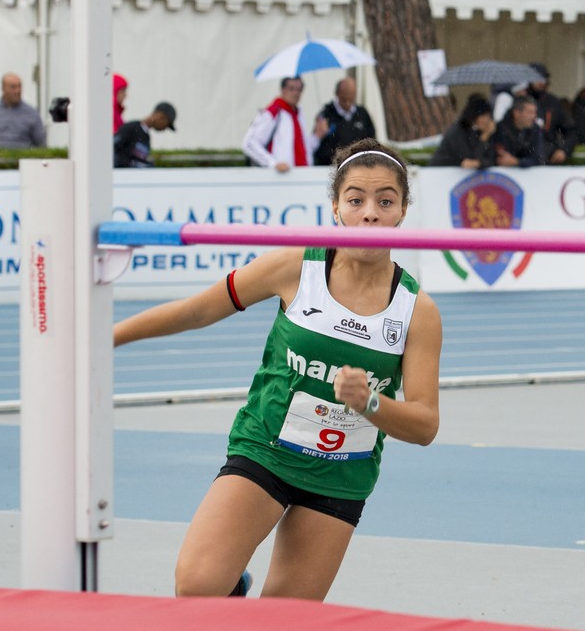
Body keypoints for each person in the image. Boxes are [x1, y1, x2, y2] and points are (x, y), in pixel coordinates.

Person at [112, 141, 442, 601]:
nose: (370, 213)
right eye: (356, 200)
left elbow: (425, 425)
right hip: (265, 451)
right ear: (336, 207)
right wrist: (105, 338)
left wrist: (370, 402)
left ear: (403, 210)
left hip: (340, 476)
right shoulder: (296, 266)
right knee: (197, 586)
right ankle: (232, 587)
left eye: (385, 202)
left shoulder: (416, 311)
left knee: (281, 623)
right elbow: (196, 311)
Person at [243, 77, 312, 172]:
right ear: (283, 90)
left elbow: (303, 148)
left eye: (299, 90)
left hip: (301, 174)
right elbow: (249, 143)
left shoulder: (298, 114)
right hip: (280, 176)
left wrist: (317, 137)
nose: (295, 93)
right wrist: (273, 163)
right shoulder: (273, 112)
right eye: (291, 89)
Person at [0, 73, 47, 149]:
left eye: (19, 87)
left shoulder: (32, 113)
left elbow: (42, 145)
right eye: (13, 87)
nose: (17, 91)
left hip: (20, 156)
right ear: (3, 88)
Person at [313, 78, 375, 166]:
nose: (348, 103)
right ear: (337, 93)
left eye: (351, 99)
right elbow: (317, 145)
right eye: (344, 99)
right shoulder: (326, 115)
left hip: (358, 165)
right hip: (331, 166)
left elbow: (371, 140)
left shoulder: (362, 114)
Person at [429, 96, 496, 168]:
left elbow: (490, 159)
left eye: (488, 116)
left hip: (459, 171)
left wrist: (480, 163)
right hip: (442, 170)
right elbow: (470, 158)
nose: (487, 120)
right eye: (483, 116)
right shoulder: (458, 131)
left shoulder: (479, 131)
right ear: (474, 115)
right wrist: (484, 137)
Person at [527, 63, 575, 162]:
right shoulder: (519, 101)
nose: (541, 82)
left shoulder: (552, 102)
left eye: (543, 78)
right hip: (524, 156)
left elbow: (571, 130)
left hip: (548, 157)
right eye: (536, 78)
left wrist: (564, 150)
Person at [490, 95, 548, 167]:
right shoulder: (500, 129)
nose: (534, 116)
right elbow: (495, 157)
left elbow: (539, 158)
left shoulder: (536, 129)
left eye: (535, 112)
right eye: (529, 112)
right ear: (516, 113)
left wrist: (517, 162)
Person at [114, 102, 177, 168]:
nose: (164, 128)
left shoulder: (147, 137)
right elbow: (112, 149)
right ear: (161, 116)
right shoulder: (131, 128)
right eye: (167, 124)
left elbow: (139, 161)